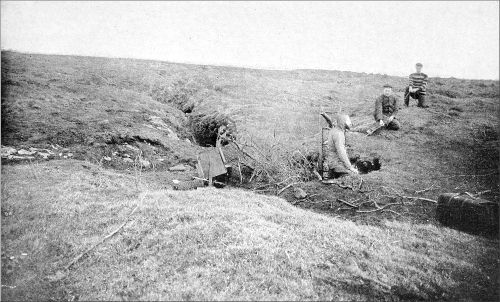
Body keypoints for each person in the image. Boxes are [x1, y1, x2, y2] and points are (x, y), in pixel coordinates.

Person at [321, 113, 359, 178]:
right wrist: (350, 167)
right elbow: (341, 152)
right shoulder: (339, 134)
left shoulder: (335, 130)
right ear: (343, 122)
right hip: (336, 164)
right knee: (354, 175)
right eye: (348, 121)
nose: (350, 123)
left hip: (332, 162)